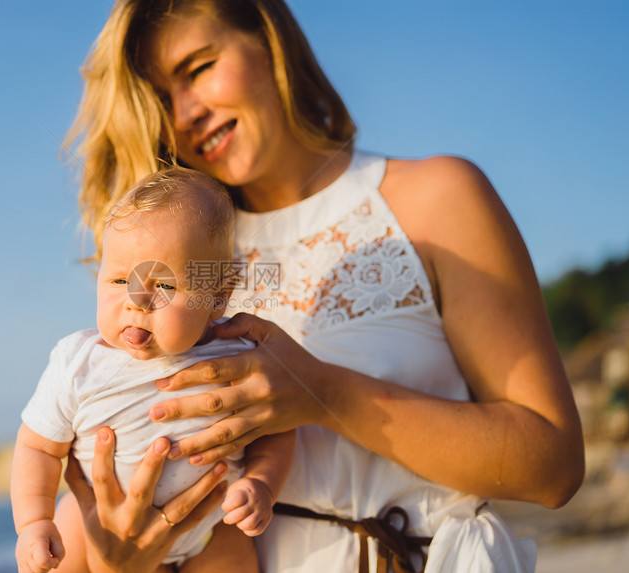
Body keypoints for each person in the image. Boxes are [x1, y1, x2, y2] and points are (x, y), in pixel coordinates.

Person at [60, 1, 585, 571]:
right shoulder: (170, 268)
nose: (186, 112)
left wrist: (323, 393)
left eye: (198, 68)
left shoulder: (437, 198)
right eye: (161, 100)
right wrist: (122, 560)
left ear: (268, 39)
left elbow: (553, 467)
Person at [11, 167, 295, 573]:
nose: (136, 301)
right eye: (120, 279)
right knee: (66, 545)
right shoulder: (80, 362)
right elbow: (38, 446)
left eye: (163, 286)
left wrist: (262, 483)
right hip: (96, 523)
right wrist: (34, 522)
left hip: (210, 529)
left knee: (237, 556)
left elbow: (279, 426)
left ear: (217, 297)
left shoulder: (237, 358)